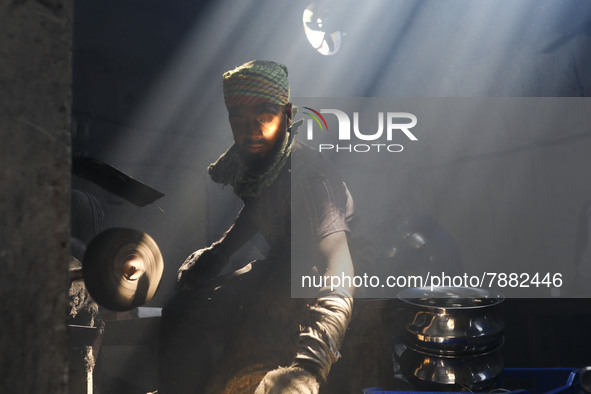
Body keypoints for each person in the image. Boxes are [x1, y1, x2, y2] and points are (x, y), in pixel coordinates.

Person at [157, 60, 360, 393]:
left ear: (288, 115)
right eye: (240, 122)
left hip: (319, 272)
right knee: (182, 311)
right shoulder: (260, 165)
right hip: (281, 265)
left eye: (264, 119)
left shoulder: (308, 175)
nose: (251, 134)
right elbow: (258, 210)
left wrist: (309, 368)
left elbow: (339, 267)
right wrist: (219, 252)